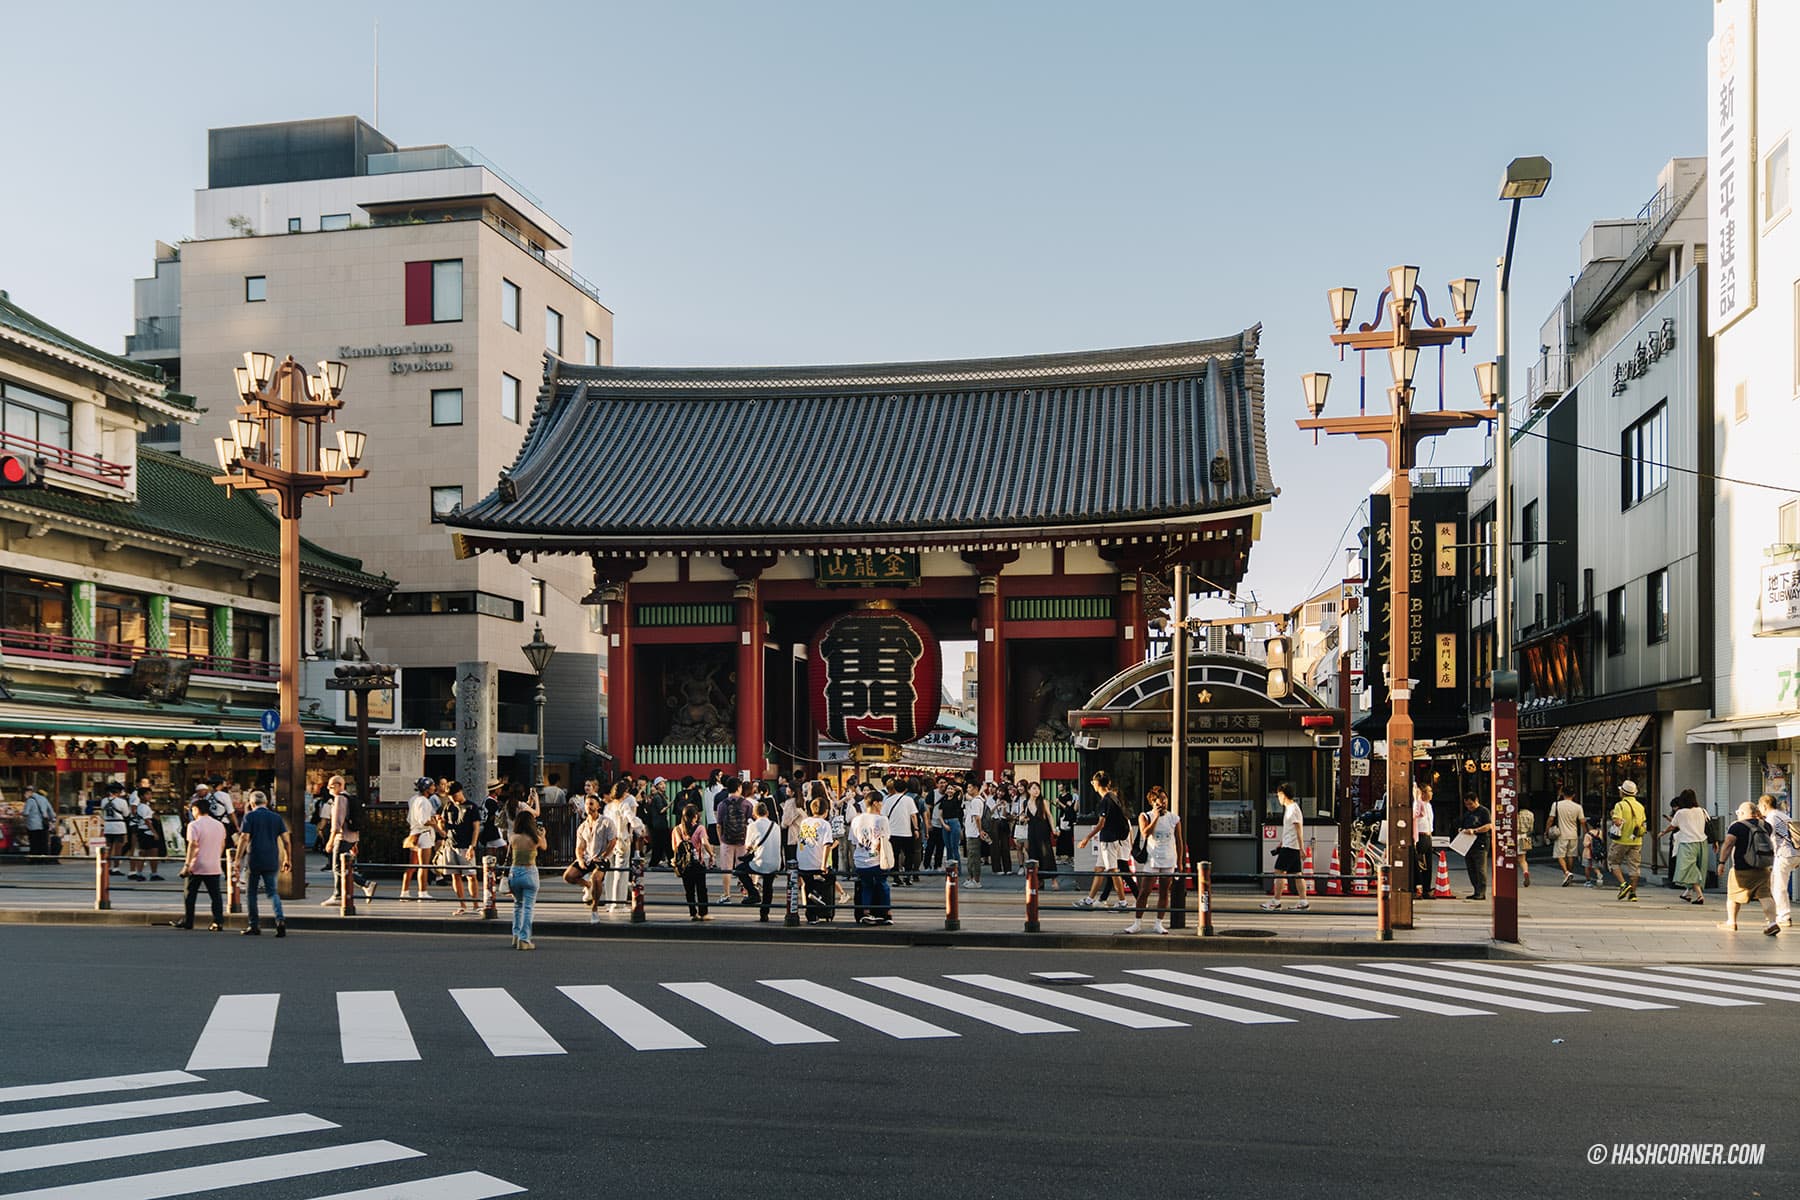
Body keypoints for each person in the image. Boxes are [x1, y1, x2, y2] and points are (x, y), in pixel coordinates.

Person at [1717, 799, 1779, 935]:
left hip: (1742, 868)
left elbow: (1728, 844)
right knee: (1765, 895)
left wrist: (1721, 863)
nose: (1738, 815)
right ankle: (1773, 923)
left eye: (1739, 812)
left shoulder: (1737, 826)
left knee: (1733, 896)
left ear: (1744, 812)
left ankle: (1731, 922)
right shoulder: (1766, 826)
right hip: (1763, 867)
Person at [1124, 790, 1180, 934]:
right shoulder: (1145, 816)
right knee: (1144, 891)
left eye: (1164, 799)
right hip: (1152, 858)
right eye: (1159, 800)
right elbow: (1145, 833)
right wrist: (1155, 817)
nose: (1162, 802)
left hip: (1169, 858)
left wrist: (1179, 862)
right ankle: (1137, 923)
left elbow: (1179, 841)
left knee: (1164, 892)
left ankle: (1159, 923)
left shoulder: (1174, 818)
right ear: (1152, 802)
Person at [168, 796, 226, 931]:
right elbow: (222, 844)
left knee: (190, 894)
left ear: (196, 809)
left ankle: (189, 921)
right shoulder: (219, 825)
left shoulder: (194, 825)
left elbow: (193, 845)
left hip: (197, 864)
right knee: (215, 895)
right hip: (213, 864)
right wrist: (216, 856)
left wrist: (187, 865)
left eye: (192, 810)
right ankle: (218, 921)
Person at [1075, 772, 1130, 911]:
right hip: (1112, 838)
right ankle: (1090, 899)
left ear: (1098, 783)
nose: (1092, 784)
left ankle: (1123, 902)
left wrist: (1087, 838)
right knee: (1099, 869)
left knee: (1113, 870)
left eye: (1093, 781)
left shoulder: (1106, 800)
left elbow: (1101, 823)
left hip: (1108, 839)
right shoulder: (1113, 797)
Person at [236, 790, 287, 937]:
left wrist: (238, 859)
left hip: (254, 859)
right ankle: (280, 920)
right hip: (272, 858)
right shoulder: (276, 817)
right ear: (266, 802)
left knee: (251, 893)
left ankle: (254, 925)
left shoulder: (249, 816)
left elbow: (244, 838)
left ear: (251, 804)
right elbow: (286, 840)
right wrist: (287, 858)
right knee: (272, 892)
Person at [321, 774, 377, 906]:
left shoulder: (339, 799)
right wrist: (355, 841)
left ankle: (364, 884)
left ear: (340, 785)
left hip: (342, 837)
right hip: (351, 837)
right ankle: (339, 895)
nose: (329, 789)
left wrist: (330, 841)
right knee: (343, 867)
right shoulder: (351, 798)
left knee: (338, 867)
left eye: (332, 786)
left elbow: (337, 823)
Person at [1262, 782, 1311, 912]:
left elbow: (1298, 829)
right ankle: (1303, 901)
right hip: (1289, 845)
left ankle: (1276, 902)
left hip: (1290, 847)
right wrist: (1282, 842)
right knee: (1297, 874)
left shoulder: (1293, 809)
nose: (1278, 799)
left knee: (1278, 872)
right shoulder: (1291, 808)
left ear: (1283, 795)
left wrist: (1301, 848)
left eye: (1278, 795)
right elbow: (1290, 830)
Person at [571, 793, 616, 924]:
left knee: (596, 878)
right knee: (569, 876)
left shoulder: (606, 822)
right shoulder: (582, 826)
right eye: (586, 804)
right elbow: (579, 847)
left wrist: (603, 856)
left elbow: (612, 841)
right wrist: (580, 859)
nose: (588, 807)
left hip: (603, 858)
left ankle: (595, 909)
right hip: (588, 857)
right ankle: (588, 885)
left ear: (598, 806)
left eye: (591, 804)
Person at [850, 794, 893, 925]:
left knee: (866, 886)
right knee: (883, 885)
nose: (882, 806)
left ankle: (866, 912)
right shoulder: (881, 820)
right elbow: (885, 840)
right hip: (876, 860)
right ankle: (887, 913)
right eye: (881, 803)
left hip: (860, 860)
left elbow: (853, 841)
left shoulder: (856, 820)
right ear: (875, 803)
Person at [1662, 790, 1710, 905]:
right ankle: (1687, 893)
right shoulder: (1701, 810)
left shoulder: (1681, 813)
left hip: (1687, 843)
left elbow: (1672, 826)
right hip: (1702, 842)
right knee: (1698, 867)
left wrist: (1662, 832)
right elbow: (1708, 826)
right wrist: (1716, 842)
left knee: (1689, 868)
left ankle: (1699, 895)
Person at [508, 810, 546, 950]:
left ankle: (516, 935)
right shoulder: (535, 838)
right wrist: (543, 835)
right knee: (528, 907)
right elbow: (545, 846)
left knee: (518, 905)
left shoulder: (513, 838)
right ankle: (524, 939)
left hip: (514, 872)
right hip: (529, 872)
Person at [739, 800, 783, 921]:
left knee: (739, 870)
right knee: (768, 885)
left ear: (754, 814)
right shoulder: (776, 826)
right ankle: (764, 914)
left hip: (760, 862)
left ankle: (753, 893)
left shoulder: (753, 826)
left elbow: (748, 846)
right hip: (775, 863)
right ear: (767, 813)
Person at [795, 794, 836, 923]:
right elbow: (827, 845)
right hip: (816, 863)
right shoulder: (824, 824)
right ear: (826, 811)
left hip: (802, 862)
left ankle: (811, 916)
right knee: (830, 878)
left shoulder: (804, 822)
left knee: (808, 886)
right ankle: (818, 896)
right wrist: (824, 865)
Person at [1758, 794, 1797, 927]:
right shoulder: (1784, 815)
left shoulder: (1772, 817)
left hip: (1783, 854)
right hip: (1794, 852)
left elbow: (1766, 836)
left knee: (1778, 886)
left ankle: (1784, 916)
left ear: (1764, 805)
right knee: (1777, 884)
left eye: (1759, 806)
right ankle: (1781, 914)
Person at [671, 802, 715, 920]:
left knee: (689, 890)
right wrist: (711, 854)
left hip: (684, 865)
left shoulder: (677, 830)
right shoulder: (700, 828)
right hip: (698, 863)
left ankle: (693, 913)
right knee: (701, 889)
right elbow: (705, 843)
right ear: (695, 816)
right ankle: (703, 913)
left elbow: (674, 848)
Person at [400, 777, 440, 902]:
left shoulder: (413, 799)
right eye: (432, 786)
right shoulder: (424, 801)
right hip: (424, 834)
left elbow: (409, 819)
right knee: (424, 866)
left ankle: (404, 892)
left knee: (412, 865)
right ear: (427, 788)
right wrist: (435, 824)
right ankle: (422, 893)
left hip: (414, 833)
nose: (434, 787)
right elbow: (424, 821)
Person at [441, 782, 479, 915]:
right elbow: (444, 829)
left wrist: (472, 846)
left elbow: (476, 829)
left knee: (471, 876)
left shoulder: (471, 807)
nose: (452, 798)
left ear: (460, 791)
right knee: (455, 875)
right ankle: (462, 904)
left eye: (454, 795)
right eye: (450, 796)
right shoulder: (448, 806)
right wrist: (439, 825)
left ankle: (475, 904)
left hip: (466, 845)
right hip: (450, 844)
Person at [1607, 779, 1648, 901]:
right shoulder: (1640, 806)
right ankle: (1633, 894)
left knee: (1613, 862)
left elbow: (1617, 821)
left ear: (1623, 793)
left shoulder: (1620, 805)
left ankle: (1623, 884)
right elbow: (1643, 823)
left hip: (1621, 840)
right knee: (1634, 867)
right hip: (1636, 841)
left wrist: (1613, 815)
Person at [715, 778, 751, 903]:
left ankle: (726, 895)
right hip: (743, 840)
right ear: (739, 788)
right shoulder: (747, 804)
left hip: (727, 840)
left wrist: (721, 839)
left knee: (726, 868)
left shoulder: (722, 804)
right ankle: (746, 893)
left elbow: (719, 825)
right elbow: (750, 822)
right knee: (743, 868)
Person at [1455, 793, 1492, 900]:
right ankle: (1476, 890)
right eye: (1467, 805)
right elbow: (1462, 825)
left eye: (1471, 804)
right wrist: (1461, 830)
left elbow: (1489, 826)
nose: (1469, 807)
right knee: (1471, 869)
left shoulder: (1484, 811)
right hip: (1468, 844)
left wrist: (1475, 830)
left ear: (1476, 800)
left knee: (1480, 869)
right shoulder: (1467, 814)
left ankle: (1481, 891)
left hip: (1480, 843)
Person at [1023, 782, 1058, 890]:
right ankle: (1038, 881)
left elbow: (1049, 816)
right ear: (1029, 790)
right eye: (1034, 788)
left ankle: (1054, 880)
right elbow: (1023, 816)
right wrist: (1022, 819)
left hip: (1042, 830)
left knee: (1046, 854)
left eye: (1038, 788)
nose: (1036, 791)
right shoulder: (1025, 803)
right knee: (1034, 854)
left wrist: (1053, 829)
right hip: (1032, 831)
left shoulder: (1043, 801)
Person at [885, 779, 920, 885]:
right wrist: (916, 829)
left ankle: (896, 878)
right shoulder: (909, 800)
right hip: (906, 832)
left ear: (894, 788)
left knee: (894, 855)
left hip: (892, 832)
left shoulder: (888, 800)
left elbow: (884, 816)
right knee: (909, 854)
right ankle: (907, 876)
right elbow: (913, 815)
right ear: (905, 789)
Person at [1549, 785, 1584, 886]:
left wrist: (1547, 830)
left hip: (1561, 834)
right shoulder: (1578, 807)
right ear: (1573, 795)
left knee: (1560, 855)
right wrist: (1586, 832)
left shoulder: (1556, 805)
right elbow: (1582, 821)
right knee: (1570, 856)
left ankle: (1566, 873)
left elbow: (1551, 819)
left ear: (1563, 793)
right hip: (1573, 834)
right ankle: (1569, 875)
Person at [99, 781, 130, 875]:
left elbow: (102, 813)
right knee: (118, 849)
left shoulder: (104, 801)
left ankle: (106, 866)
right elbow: (126, 814)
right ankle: (116, 868)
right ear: (118, 792)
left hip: (108, 825)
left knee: (108, 848)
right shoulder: (122, 801)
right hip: (119, 826)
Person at [1412, 784, 1435, 900]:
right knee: (1420, 865)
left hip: (1428, 835)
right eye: (1429, 791)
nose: (1431, 793)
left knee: (1428, 864)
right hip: (1420, 836)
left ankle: (1427, 888)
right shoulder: (1418, 803)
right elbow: (1416, 814)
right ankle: (1418, 889)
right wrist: (1417, 798)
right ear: (1423, 793)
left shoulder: (1429, 805)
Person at [961, 782, 986, 888]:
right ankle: (971, 878)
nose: (968, 789)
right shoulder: (975, 800)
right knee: (971, 857)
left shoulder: (976, 801)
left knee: (974, 857)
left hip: (974, 833)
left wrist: (980, 831)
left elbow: (977, 818)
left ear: (976, 788)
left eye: (970, 787)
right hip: (970, 832)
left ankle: (976, 880)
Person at [22, 784, 55, 862]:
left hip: (33, 826)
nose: (24, 794)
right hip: (43, 825)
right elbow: (51, 811)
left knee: (34, 843)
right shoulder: (44, 799)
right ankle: (45, 859)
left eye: (25, 792)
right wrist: (52, 820)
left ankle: (34, 859)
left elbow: (26, 813)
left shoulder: (30, 800)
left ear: (29, 792)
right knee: (43, 842)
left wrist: (22, 815)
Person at [1516, 801, 1534, 887]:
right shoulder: (1530, 814)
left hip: (1514, 836)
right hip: (1525, 837)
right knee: (1523, 859)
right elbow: (1531, 828)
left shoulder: (1516, 813)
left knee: (1511, 858)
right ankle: (1526, 872)